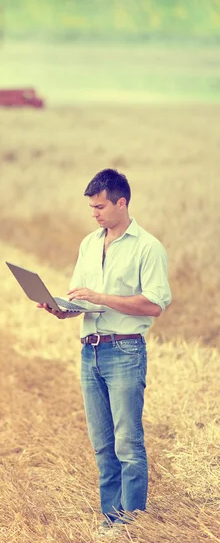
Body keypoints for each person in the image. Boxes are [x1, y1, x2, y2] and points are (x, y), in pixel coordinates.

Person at [37, 169, 171, 538]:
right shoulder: (89, 244)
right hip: (89, 351)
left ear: (121, 202)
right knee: (102, 444)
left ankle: (134, 521)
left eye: (99, 207)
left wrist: (101, 298)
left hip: (126, 350)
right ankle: (111, 519)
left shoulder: (148, 247)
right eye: (91, 207)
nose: (94, 213)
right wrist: (61, 309)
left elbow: (154, 305)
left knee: (128, 441)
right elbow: (82, 300)